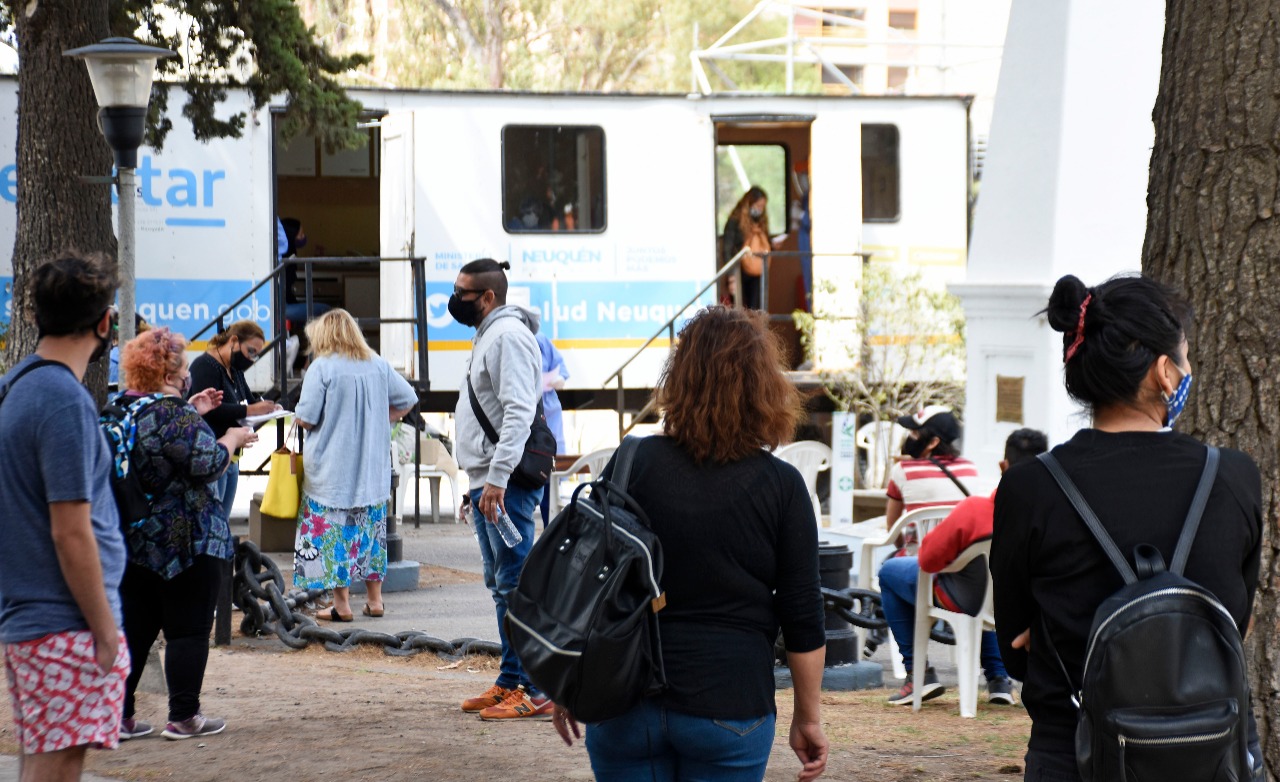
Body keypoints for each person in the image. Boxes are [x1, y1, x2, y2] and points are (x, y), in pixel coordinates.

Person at [991, 274, 1263, 782]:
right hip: (1209, 753)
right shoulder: (1232, 477)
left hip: (1073, 753)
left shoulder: (1030, 489)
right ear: (1164, 372)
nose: (1188, 370)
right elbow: (1237, 621)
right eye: (1185, 357)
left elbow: (1015, 647)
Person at [552, 307, 828, 782]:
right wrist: (808, 717)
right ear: (764, 384)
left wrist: (566, 679)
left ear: (679, 378)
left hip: (623, 697)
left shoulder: (632, 461)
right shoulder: (782, 487)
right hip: (730, 703)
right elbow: (803, 615)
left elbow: (585, 576)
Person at [0, 254, 129, 781]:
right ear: (104, 324)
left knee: (45, 762)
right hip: (63, 624)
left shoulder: (21, 387)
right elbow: (70, 529)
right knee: (56, 769)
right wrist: (104, 632)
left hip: (40, 622)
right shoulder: (61, 400)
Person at [115, 328, 257, 741]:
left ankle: (118, 717)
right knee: (188, 630)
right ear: (175, 370)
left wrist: (192, 410)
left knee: (134, 631)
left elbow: (159, 449)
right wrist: (231, 438)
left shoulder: (124, 408)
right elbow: (207, 463)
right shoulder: (173, 415)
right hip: (187, 540)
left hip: (133, 538)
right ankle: (184, 716)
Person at [879, 428, 1048, 707]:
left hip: (963, 600)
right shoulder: (1053, 515)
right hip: (1023, 606)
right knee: (992, 593)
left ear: (1003, 466)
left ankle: (918, 675)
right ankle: (999, 679)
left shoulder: (976, 510)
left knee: (889, 572)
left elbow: (928, 560)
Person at [450, 258, 549, 721]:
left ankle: (537, 687)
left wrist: (496, 479)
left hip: (502, 483)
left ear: (487, 297)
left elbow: (517, 412)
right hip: (487, 481)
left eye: (462, 293)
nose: (455, 301)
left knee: (516, 586)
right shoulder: (489, 334)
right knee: (501, 587)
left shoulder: (507, 336)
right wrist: (479, 483)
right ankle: (511, 679)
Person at [292, 309, 417, 620]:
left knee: (333, 534)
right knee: (371, 534)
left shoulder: (322, 368)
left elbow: (306, 418)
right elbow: (408, 398)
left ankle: (342, 605)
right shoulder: (377, 364)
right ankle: (375, 602)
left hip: (332, 471)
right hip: (371, 470)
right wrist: (382, 419)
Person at [188, 320, 281, 520]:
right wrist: (250, 410)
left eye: (255, 354)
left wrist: (268, 408)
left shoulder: (235, 369)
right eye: (250, 351)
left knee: (222, 519)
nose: (251, 358)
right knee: (212, 520)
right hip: (212, 453)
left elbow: (249, 399)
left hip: (232, 457)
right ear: (233, 341)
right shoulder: (204, 366)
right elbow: (212, 410)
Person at [535, 331, 568, 526]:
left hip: (549, 410)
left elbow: (561, 370)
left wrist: (558, 380)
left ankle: (549, 530)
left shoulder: (542, 341)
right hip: (530, 410)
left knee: (550, 479)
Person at [721, 185, 771, 310]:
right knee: (740, 307)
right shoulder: (735, 221)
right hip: (739, 270)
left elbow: (765, 243)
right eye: (758, 206)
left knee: (756, 307)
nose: (760, 210)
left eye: (762, 207)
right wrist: (731, 275)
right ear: (749, 203)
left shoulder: (761, 221)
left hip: (757, 270)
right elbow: (727, 249)